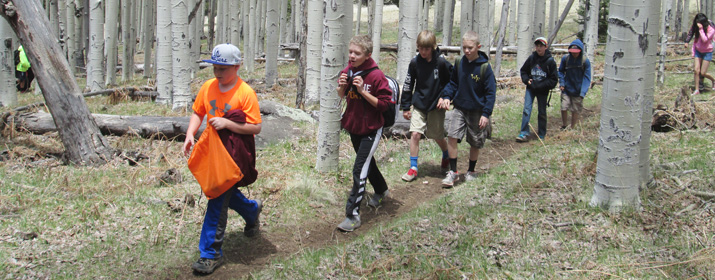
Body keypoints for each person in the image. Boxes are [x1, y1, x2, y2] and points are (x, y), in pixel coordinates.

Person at [182, 43, 263, 274]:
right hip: (212, 151)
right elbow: (198, 112)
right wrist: (190, 134)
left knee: (217, 196)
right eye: (215, 67)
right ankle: (251, 210)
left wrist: (228, 123)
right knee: (222, 190)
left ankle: (210, 253)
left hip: (233, 153)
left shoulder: (245, 92)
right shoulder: (207, 87)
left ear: (237, 66)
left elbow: (256, 127)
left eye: (223, 68)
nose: (218, 73)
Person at [336, 35, 393, 232]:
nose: (351, 56)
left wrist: (362, 91)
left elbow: (385, 105)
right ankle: (381, 190)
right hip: (354, 127)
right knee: (368, 164)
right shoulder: (349, 70)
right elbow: (341, 95)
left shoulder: (377, 76)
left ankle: (352, 216)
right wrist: (343, 85)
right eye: (350, 51)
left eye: (356, 53)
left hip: (371, 128)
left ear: (367, 55)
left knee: (359, 169)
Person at [436, 30, 497, 187]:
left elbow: (491, 93)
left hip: (477, 110)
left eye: (470, 48)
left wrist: (486, 114)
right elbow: (453, 83)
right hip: (460, 108)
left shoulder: (485, 68)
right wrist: (447, 96)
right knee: (452, 136)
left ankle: (471, 170)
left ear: (478, 46)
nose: (467, 51)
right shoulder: (459, 63)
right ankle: (454, 172)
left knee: (475, 142)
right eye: (464, 47)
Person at [399, 30, 453, 182]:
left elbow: (451, 82)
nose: (423, 51)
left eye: (427, 49)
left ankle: (446, 154)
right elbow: (409, 84)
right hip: (419, 104)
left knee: (437, 136)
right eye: (421, 48)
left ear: (433, 47)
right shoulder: (415, 63)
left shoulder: (441, 62)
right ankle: (413, 168)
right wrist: (405, 106)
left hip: (436, 105)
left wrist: (445, 97)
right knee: (415, 134)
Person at [515, 37, 558, 142]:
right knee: (526, 109)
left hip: (543, 90)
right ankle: (524, 132)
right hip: (531, 88)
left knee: (542, 111)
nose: (539, 48)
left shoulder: (550, 61)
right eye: (537, 46)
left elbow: (553, 80)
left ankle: (542, 134)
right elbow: (523, 71)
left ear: (545, 47)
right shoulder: (532, 58)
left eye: (541, 46)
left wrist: (542, 85)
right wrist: (526, 80)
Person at [558, 39, 592, 130]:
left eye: (576, 52)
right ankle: (564, 125)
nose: (574, 54)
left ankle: (572, 127)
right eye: (572, 52)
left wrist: (583, 92)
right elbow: (560, 71)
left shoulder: (585, 61)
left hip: (578, 90)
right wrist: (562, 83)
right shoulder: (566, 59)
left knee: (575, 109)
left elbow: (587, 78)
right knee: (564, 107)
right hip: (566, 88)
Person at [686, 13, 715, 95]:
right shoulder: (697, 29)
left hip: (707, 52)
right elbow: (695, 41)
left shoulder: (711, 29)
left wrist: (701, 29)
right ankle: (697, 89)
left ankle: (713, 80)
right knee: (696, 70)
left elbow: (705, 39)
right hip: (698, 51)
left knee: (703, 73)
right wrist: (693, 51)